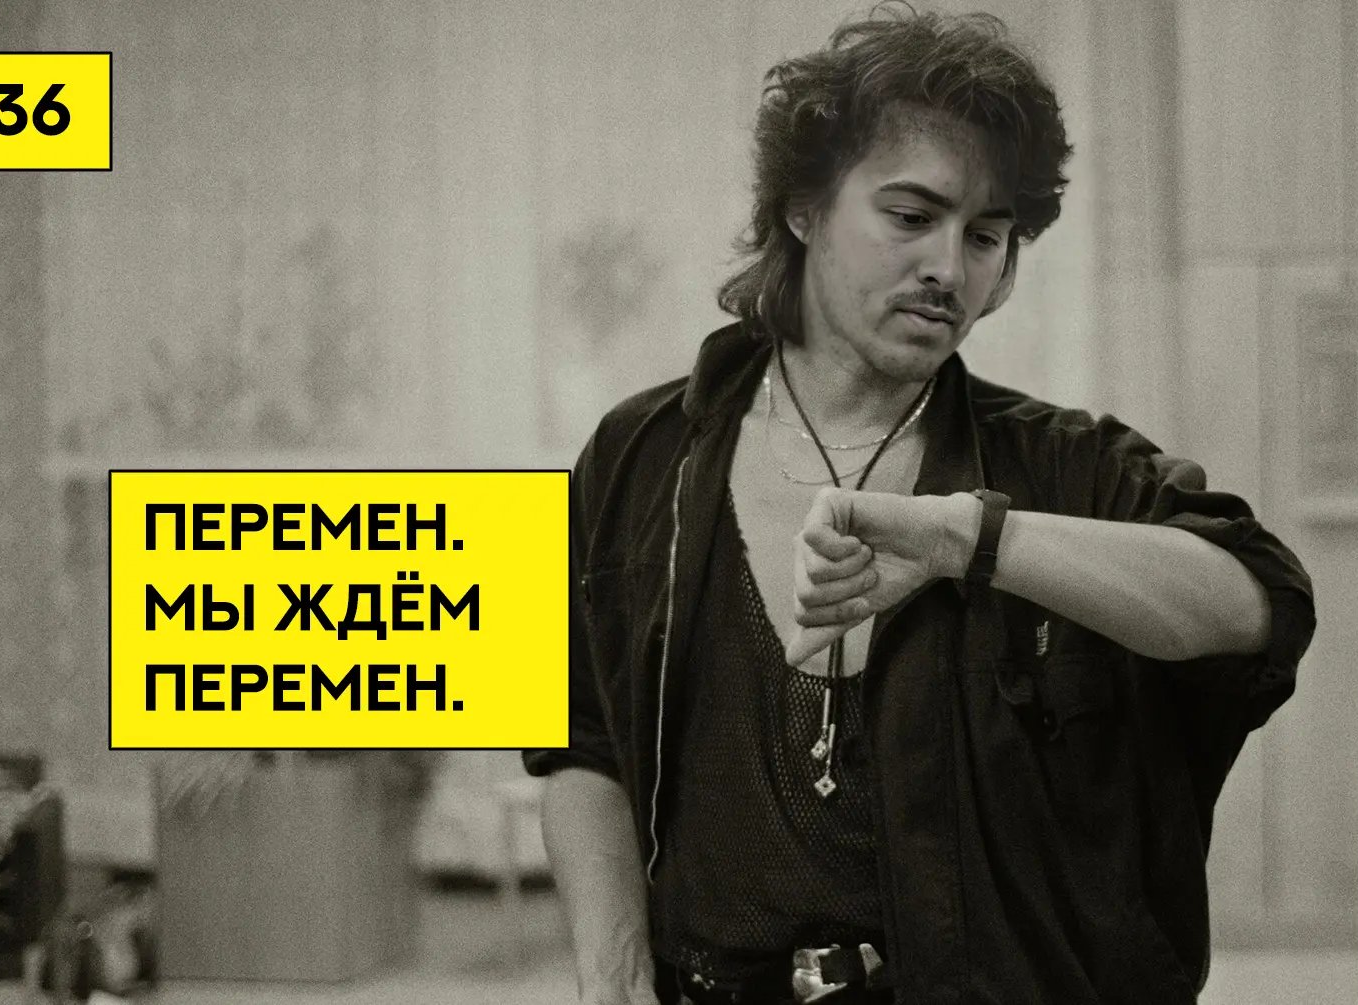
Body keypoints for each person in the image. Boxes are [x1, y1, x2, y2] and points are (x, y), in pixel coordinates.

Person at [524, 6, 1316, 1004]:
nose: (950, 268)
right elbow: (579, 743)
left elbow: (1258, 603)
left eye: (986, 236)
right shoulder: (638, 459)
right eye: (910, 217)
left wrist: (970, 538)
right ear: (803, 209)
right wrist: (613, 976)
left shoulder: (1059, 465)